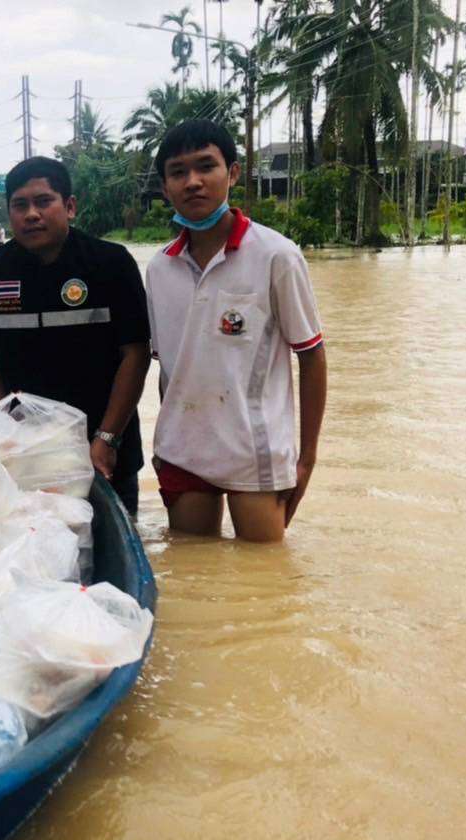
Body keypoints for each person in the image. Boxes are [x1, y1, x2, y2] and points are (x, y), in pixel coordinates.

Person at [145, 120, 328, 543]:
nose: (193, 181)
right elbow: (170, 369)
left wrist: (306, 459)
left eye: (206, 166)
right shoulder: (159, 268)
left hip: (255, 450)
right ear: (165, 187)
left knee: (264, 570)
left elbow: (312, 355)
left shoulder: (276, 256)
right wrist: (165, 441)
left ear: (233, 173)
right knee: (192, 566)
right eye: (178, 172)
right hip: (183, 451)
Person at [0, 156, 151, 511]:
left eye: (44, 201)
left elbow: (136, 355)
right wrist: (8, 439)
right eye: (20, 205)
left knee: (112, 535)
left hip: (105, 451)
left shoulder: (111, 263)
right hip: (28, 457)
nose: (32, 214)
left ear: (70, 206)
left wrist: (107, 438)